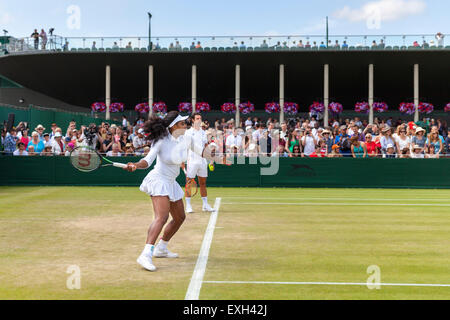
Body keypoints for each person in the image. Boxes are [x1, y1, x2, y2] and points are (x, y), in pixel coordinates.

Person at [124, 111, 216, 272]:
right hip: (159, 180)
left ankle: (162, 247)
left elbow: (200, 151)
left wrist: (216, 155)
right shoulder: (161, 141)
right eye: (182, 123)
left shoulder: (186, 138)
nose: (185, 125)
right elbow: (147, 161)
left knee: (180, 217)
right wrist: (136, 165)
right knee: (162, 217)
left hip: (171, 182)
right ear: (173, 126)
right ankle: (146, 254)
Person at [182, 113, 214, 214]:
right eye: (197, 118)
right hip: (192, 161)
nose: (199, 120)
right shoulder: (187, 133)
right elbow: (185, 148)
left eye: (200, 118)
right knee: (189, 183)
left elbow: (205, 147)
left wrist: (211, 159)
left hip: (202, 162)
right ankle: (188, 206)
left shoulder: (203, 133)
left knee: (203, 183)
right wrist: (182, 161)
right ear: (192, 120)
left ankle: (205, 205)